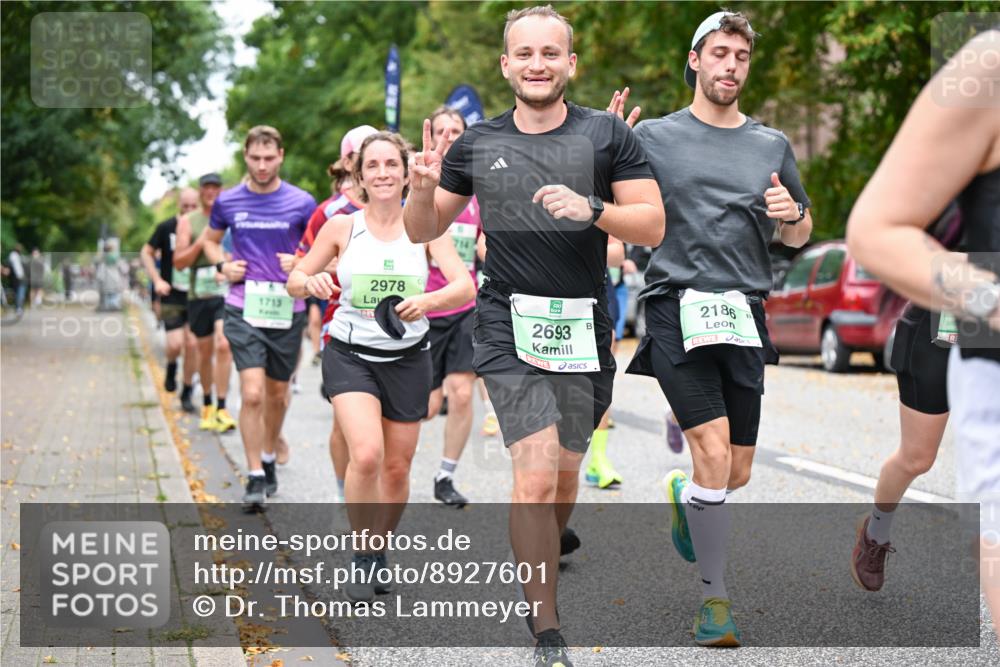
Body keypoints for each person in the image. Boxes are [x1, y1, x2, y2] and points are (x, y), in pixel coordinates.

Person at [403, 6, 664, 664]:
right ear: (505, 64)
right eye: (524, 53)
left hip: (582, 326)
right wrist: (421, 189)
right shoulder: (477, 142)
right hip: (506, 322)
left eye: (550, 53)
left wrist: (593, 208)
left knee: (565, 474)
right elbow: (421, 228)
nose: (537, 64)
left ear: (570, 63)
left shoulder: (606, 135)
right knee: (536, 473)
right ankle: (546, 625)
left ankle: (545, 542)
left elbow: (654, 224)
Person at [623, 11, 812, 646]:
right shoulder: (653, 136)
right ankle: (715, 601)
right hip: (675, 303)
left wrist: (792, 215)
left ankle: (686, 493)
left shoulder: (770, 144)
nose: (731, 66)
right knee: (710, 449)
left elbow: (800, 231)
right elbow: (615, 203)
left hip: (743, 310)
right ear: (696, 60)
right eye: (720, 53)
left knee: (735, 470)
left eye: (741, 56)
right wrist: (604, 154)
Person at [845, 28, 1000, 640]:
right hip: (946, 322)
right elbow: (881, 232)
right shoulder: (975, 97)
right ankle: (877, 531)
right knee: (919, 455)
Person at [287, 131, 474, 601]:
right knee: (367, 454)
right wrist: (310, 282)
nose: (383, 173)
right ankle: (361, 551)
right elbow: (295, 277)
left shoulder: (426, 228)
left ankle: (377, 548)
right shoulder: (342, 227)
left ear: (407, 173)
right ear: (359, 176)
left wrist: (427, 301)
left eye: (392, 164)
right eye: (373, 165)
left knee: (396, 468)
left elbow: (464, 286)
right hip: (350, 354)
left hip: (409, 358)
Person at [202, 126, 317, 510]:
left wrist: (300, 262)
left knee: (277, 395)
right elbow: (210, 241)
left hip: (287, 308)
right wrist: (223, 265)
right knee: (251, 393)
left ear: (281, 156)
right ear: (246, 157)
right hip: (243, 306)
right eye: (255, 158)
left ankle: (268, 454)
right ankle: (253, 475)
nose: (262, 165)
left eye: (269, 158)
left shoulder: (302, 202)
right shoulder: (228, 201)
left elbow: (322, 249)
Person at [294, 124, 377, 497]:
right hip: (339, 324)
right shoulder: (329, 212)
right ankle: (346, 494)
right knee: (345, 423)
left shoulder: (401, 206)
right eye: (362, 156)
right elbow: (300, 265)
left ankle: (370, 491)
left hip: (393, 329)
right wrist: (326, 269)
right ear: (347, 162)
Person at [421, 106, 484, 508]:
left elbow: (484, 244)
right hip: (423, 309)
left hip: (465, 305)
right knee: (426, 407)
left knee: (462, 393)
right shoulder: (419, 186)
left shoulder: (477, 191)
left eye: (456, 131)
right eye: (441, 130)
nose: (448, 137)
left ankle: (445, 475)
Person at [174, 173, 237, 433]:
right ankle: (208, 403)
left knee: (224, 344)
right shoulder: (189, 221)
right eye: (206, 188)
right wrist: (201, 242)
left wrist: (228, 264)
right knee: (204, 352)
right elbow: (179, 262)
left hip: (225, 294)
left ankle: (222, 406)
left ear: (222, 191)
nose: (211, 192)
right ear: (200, 192)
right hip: (199, 296)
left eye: (216, 188)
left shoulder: (232, 218)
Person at [140, 189, 201, 412]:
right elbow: (146, 252)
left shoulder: (204, 227)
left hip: (196, 295)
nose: (189, 211)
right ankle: (172, 365)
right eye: (185, 206)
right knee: (175, 344)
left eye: (193, 206)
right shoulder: (166, 227)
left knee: (192, 344)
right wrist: (157, 280)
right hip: (172, 294)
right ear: (179, 205)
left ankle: (187, 391)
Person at [7, 244, 26, 315]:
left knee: (19, 293)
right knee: (19, 293)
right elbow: (17, 268)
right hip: (16, 278)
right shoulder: (14, 256)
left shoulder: (17, 256)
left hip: (18, 277)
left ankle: (18, 307)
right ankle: (18, 308)